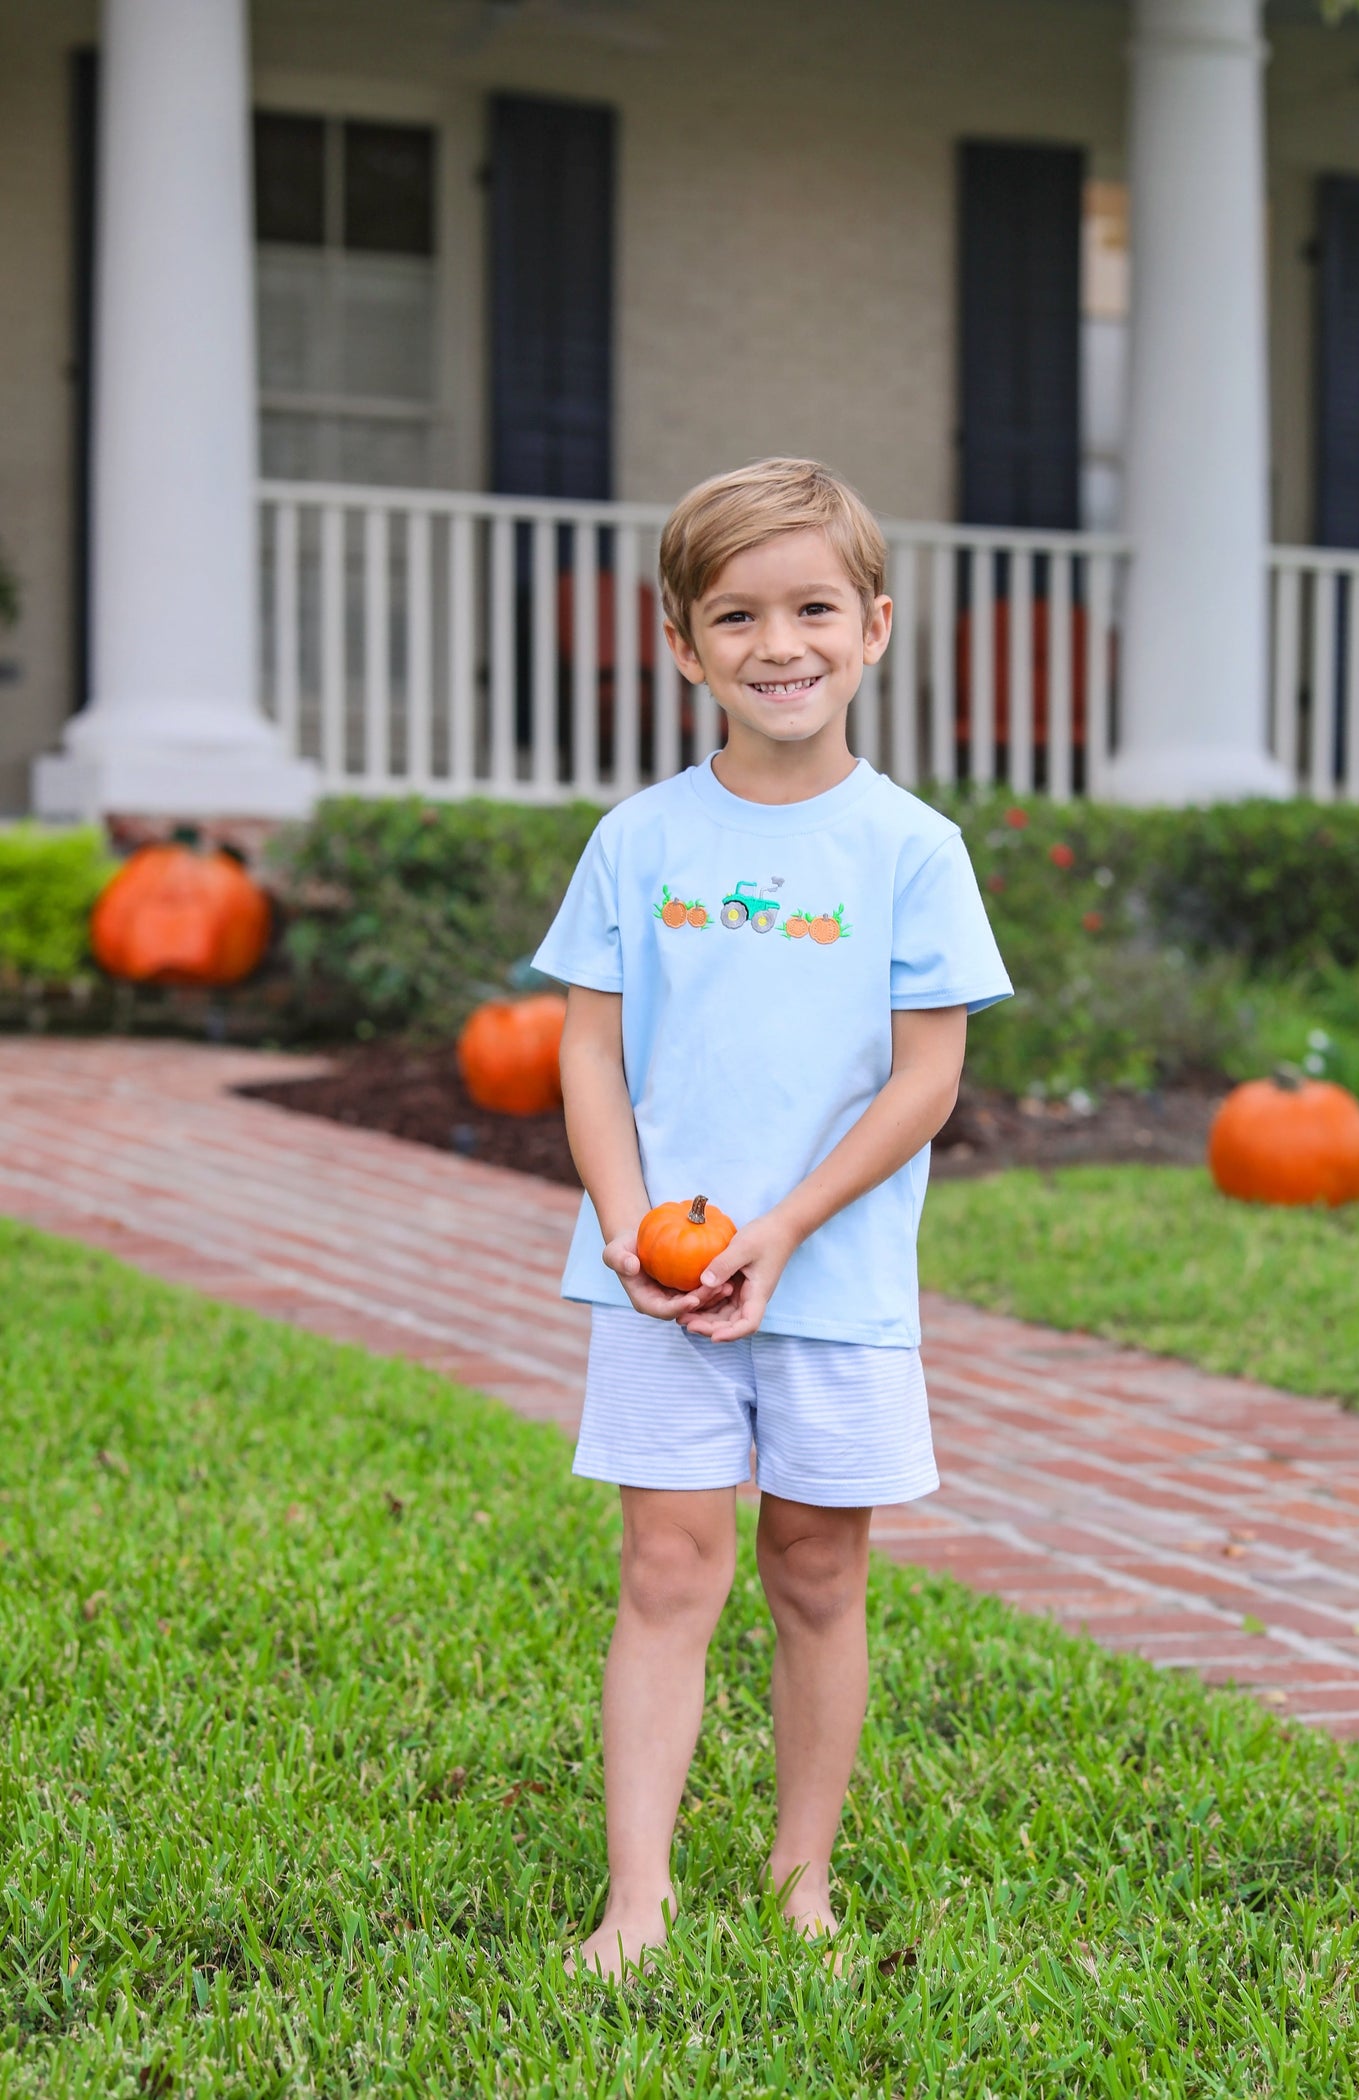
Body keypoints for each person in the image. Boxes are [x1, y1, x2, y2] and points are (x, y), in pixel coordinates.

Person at [532, 456, 1013, 1980]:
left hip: (835, 1272)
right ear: (685, 646)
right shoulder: (640, 840)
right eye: (735, 615)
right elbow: (589, 1050)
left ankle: (802, 1879)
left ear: (873, 626)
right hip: (657, 1284)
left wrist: (788, 1226)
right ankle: (639, 1902)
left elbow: (927, 1079)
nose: (776, 643)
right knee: (667, 1570)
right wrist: (626, 1228)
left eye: (812, 607)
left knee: (815, 1567)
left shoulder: (909, 848)